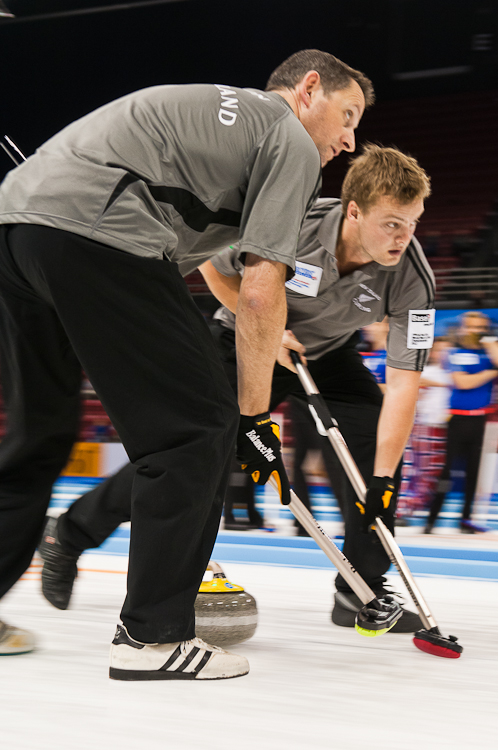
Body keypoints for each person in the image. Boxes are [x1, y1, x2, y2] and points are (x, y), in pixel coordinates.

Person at [0, 49, 374, 678]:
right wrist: (253, 419)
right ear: (309, 89)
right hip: (98, 228)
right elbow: (260, 290)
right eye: (348, 114)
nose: (348, 138)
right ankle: (153, 636)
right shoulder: (288, 138)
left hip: (17, 226)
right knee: (200, 426)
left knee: (40, 433)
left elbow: (198, 265)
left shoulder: (226, 122)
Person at [40, 144, 434, 634]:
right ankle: (70, 533)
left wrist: (384, 479)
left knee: (374, 446)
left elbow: (403, 383)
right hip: (242, 336)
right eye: (393, 223)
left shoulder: (413, 276)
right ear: (354, 211)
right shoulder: (294, 224)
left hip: (323, 354)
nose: (405, 237)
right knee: (192, 451)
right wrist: (265, 333)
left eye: (413, 222)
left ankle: (361, 591)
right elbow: (214, 264)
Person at [425, 313, 498, 534]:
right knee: (445, 472)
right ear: (463, 328)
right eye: (472, 327)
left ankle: (465, 520)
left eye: (481, 327)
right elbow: (462, 382)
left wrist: (489, 343)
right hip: (457, 419)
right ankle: (431, 519)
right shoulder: (454, 352)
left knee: (474, 474)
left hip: (481, 420)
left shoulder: (488, 352)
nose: (476, 331)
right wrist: (491, 372)